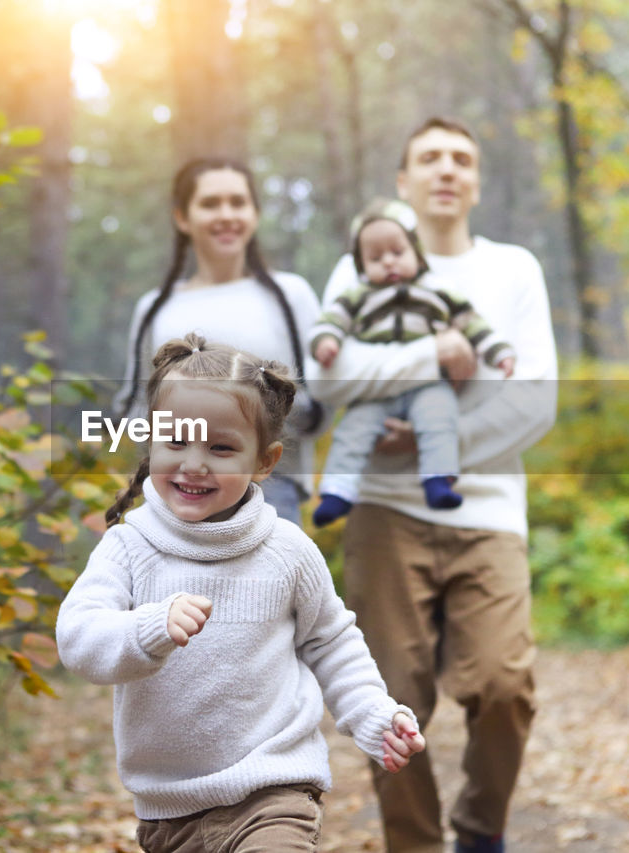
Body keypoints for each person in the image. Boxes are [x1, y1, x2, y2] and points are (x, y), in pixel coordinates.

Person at [59, 333, 427, 852]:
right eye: (176, 441)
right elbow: (78, 638)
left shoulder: (286, 551)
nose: (194, 463)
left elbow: (329, 641)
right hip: (170, 810)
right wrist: (148, 627)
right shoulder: (129, 547)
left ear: (265, 460)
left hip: (273, 788)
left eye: (221, 448)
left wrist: (369, 711)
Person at [307, 117, 559, 853]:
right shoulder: (366, 257)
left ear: (475, 181)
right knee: (391, 702)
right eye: (429, 158)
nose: (446, 169)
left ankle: (482, 830)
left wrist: (428, 443)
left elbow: (534, 400)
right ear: (403, 181)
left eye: (461, 159)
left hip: (487, 510)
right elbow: (328, 373)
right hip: (382, 510)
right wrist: (430, 354)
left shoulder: (514, 269)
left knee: (505, 687)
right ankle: (414, 844)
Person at [114, 158, 323, 524]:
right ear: (182, 217)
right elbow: (135, 409)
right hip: (179, 492)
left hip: (272, 495)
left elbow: (320, 401)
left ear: (255, 214)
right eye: (210, 204)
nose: (226, 214)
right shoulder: (156, 308)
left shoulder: (292, 296)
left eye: (238, 202)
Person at [309, 197, 516, 527]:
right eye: (375, 258)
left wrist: (499, 352)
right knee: (352, 431)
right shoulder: (357, 295)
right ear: (361, 266)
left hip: (430, 385)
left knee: (439, 422)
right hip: (374, 391)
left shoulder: (440, 288)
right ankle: (337, 492)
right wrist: (327, 342)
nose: (388, 262)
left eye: (397, 252)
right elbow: (330, 321)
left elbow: (472, 323)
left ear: (416, 254)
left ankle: (438, 481)